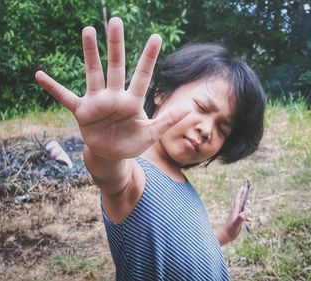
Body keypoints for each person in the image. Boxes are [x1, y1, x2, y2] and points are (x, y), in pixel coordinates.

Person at [35, 17, 265, 280]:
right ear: (162, 93)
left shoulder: (182, 185)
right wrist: (106, 150)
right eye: (202, 107)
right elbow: (110, 173)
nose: (207, 130)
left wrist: (224, 234)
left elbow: (178, 251)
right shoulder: (133, 176)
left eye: (223, 129)